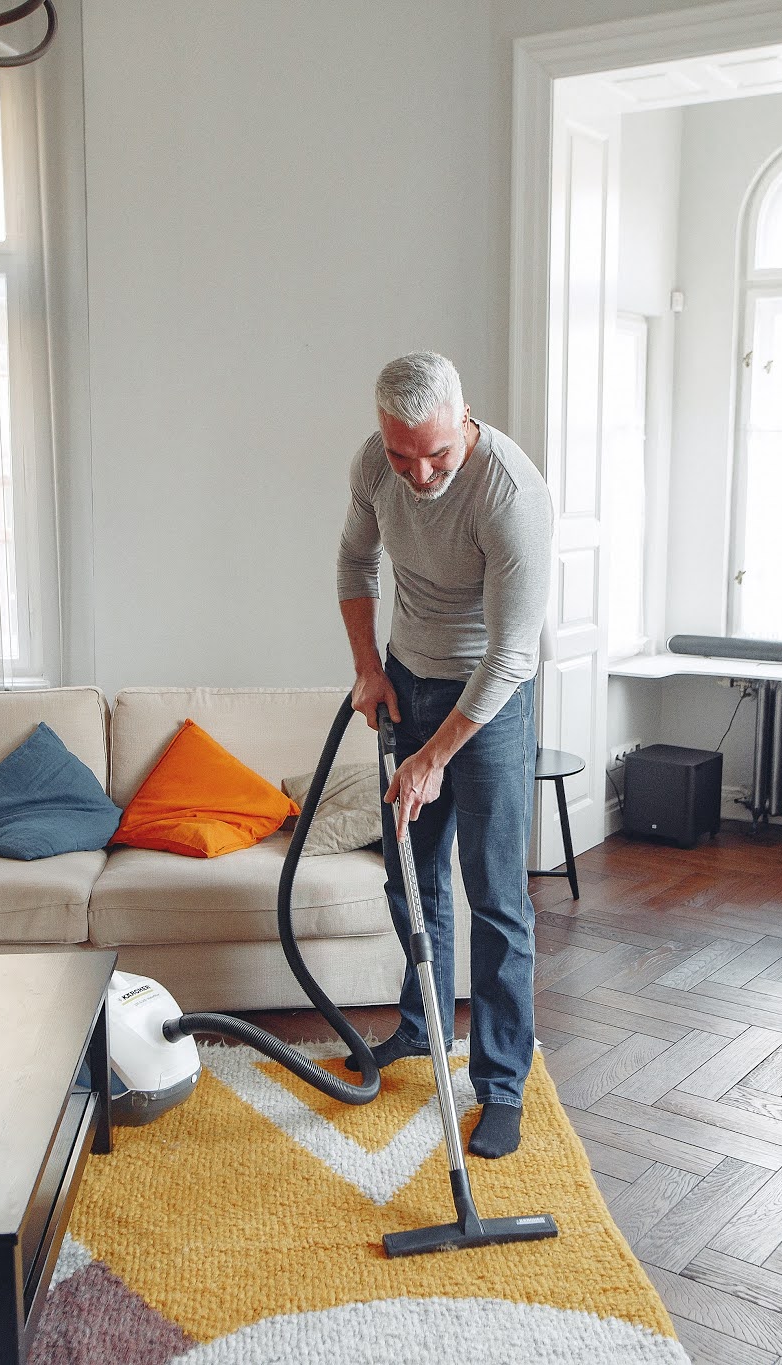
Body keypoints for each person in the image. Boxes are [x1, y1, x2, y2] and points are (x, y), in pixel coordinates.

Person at [335, 351, 553, 1159]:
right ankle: (422, 1028)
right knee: (410, 873)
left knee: (495, 896)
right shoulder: (376, 463)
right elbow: (354, 563)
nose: (419, 474)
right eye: (401, 455)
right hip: (407, 676)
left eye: (436, 455)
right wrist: (367, 667)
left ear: (465, 421)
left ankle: (500, 1084)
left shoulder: (510, 494)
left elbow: (510, 657)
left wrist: (432, 756)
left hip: (489, 703)